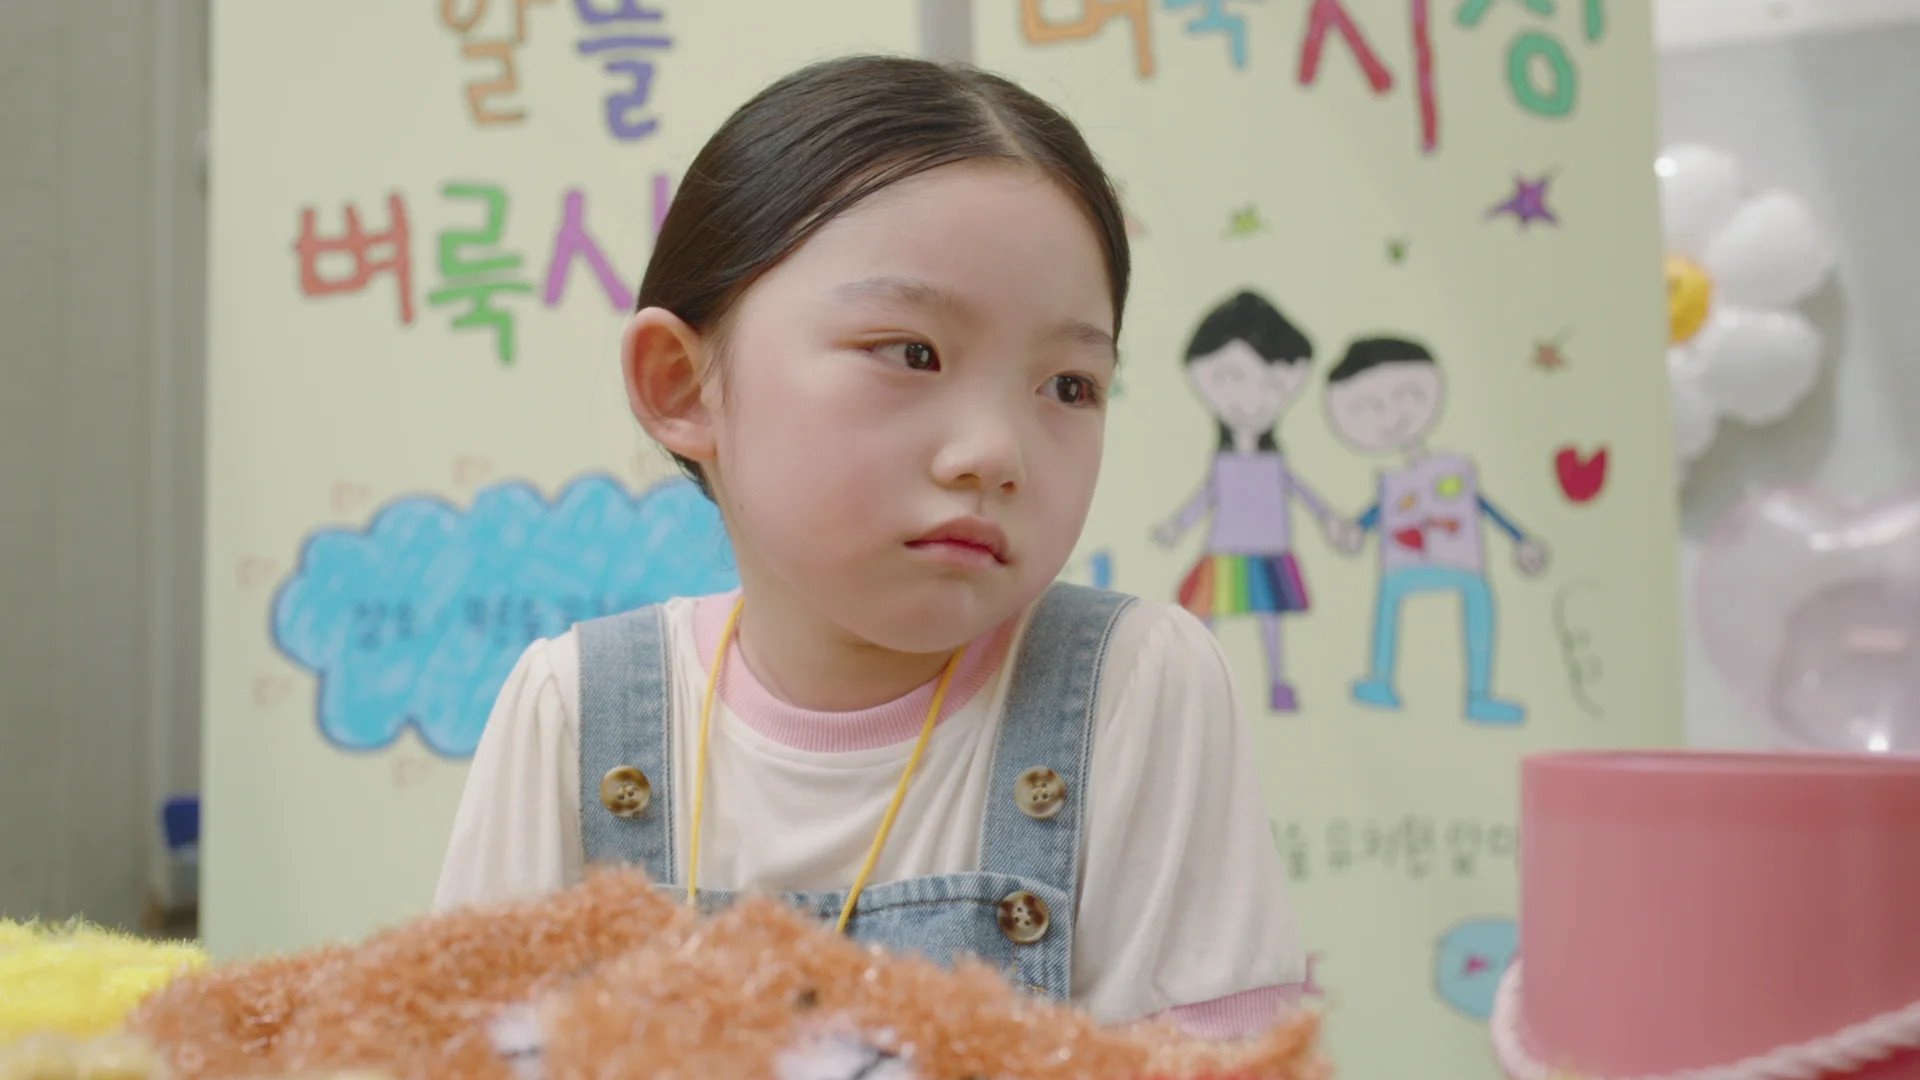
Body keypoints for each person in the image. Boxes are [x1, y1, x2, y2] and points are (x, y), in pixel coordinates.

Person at [434, 54, 1306, 1035]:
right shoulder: (574, 714)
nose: (995, 453)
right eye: (912, 353)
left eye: (1069, 385)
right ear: (683, 383)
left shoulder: (1134, 687)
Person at [1321, 336, 1549, 723]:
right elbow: (1374, 517)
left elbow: (1481, 505)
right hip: (1403, 563)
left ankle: (1479, 694)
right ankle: (1381, 679)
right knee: (1389, 600)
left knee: (1478, 598)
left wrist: (1520, 539)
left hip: (1461, 559)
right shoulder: (1392, 484)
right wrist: (1354, 532)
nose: (1390, 416)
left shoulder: (1455, 469)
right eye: (1368, 408)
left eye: (1407, 396)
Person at [1154, 291, 1340, 714]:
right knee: (1208, 615)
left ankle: (1277, 681)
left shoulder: (1275, 462)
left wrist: (1328, 517)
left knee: (1269, 619)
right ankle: (1201, 683)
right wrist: (1177, 525)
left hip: (1268, 546)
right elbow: (1205, 498)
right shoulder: (1222, 463)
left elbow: (1302, 492)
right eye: (1231, 379)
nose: (1252, 399)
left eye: (1271, 384)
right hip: (1225, 546)